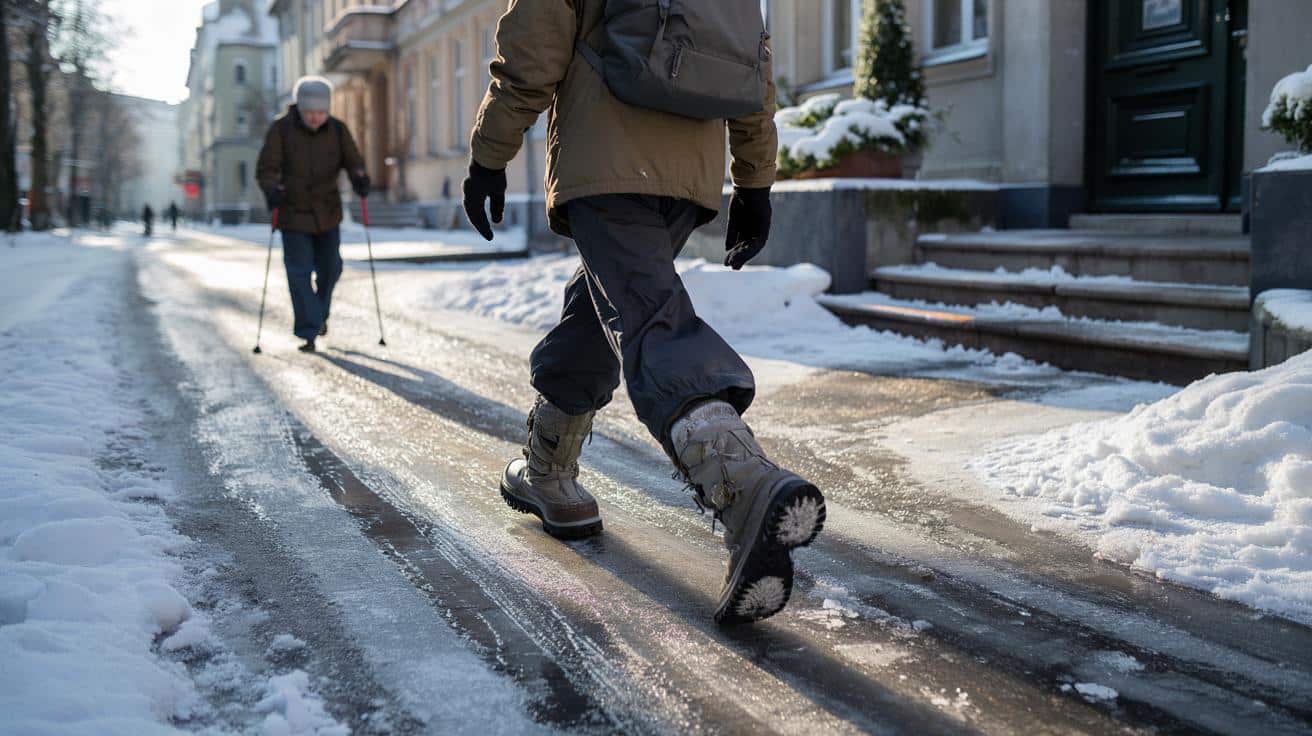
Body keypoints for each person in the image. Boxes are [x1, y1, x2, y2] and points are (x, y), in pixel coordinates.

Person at [465, 0, 825, 625]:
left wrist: (488, 154)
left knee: (649, 318)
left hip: (606, 158)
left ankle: (743, 485)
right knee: (610, 305)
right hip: (689, 173)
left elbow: (533, 51)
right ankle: (548, 472)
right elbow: (752, 59)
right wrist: (754, 181)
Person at [256, 76, 369, 353]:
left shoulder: (338, 130)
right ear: (300, 107)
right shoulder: (281, 130)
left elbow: (354, 161)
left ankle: (317, 315)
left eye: (322, 112)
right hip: (293, 213)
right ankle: (309, 330)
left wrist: (360, 177)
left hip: (327, 212)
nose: (317, 117)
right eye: (311, 113)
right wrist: (272, 189)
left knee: (331, 268)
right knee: (299, 272)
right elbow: (267, 168)